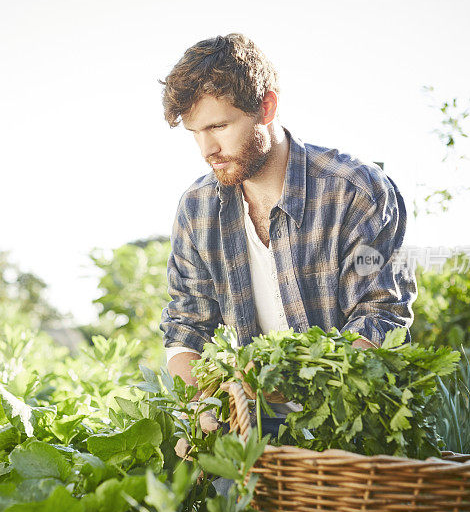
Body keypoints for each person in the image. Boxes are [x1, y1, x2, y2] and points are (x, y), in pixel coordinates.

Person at [159, 33, 417, 448]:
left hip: (350, 428)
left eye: (219, 126)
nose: (207, 148)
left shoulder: (357, 190)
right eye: (195, 132)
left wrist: (280, 379)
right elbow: (187, 326)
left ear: (266, 106)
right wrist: (199, 404)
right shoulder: (197, 208)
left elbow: (382, 317)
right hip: (253, 432)